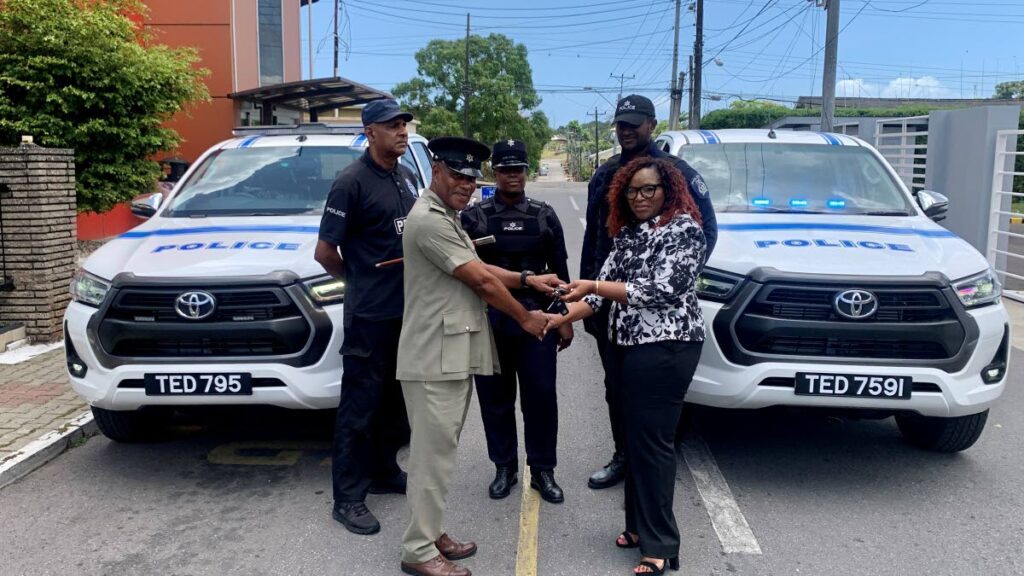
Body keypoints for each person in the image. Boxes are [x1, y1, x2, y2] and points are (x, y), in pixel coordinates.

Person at [396, 136, 559, 576]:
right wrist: (526, 319)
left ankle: (430, 533)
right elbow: (481, 283)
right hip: (432, 355)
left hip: (445, 352)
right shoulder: (429, 220)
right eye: (456, 175)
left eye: (470, 178)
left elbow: (486, 269)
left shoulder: (447, 217)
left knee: (440, 452)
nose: (465, 185)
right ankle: (418, 550)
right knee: (431, 456)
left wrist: (528, 278)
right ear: (436, 170)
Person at [547, 157, 706, 575]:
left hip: (666, 347)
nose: (640, 198)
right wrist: (561, 317)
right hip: (627, 346)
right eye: (633, 191)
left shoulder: (685, 230)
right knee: (633, 440)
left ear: (667, 190)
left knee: (653, 444)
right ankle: (637, 528)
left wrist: (595, 286)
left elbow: (662, 289)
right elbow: (599, 294)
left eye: (649, 189)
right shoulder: (628, 235)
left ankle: (661, 545)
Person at [580, 94, 717, 490]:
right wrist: (590, 297)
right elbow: (595, 239)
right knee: (616, 388)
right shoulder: (606, 174)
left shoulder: (674, 172)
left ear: (651, 125)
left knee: (653, 399)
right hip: (611, 302)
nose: (626, 131)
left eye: (634, 123)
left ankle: (654, 459)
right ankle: (624, 455)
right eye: (621, 124)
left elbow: (705, 231)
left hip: (657, 314)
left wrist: (670, 282)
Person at [314, 99, 418, 536]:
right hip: (370, 316)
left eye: (404, 124)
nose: (402, 131)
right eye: (392, 126)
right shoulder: (350, 182)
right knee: (360, 407)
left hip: (406, 313)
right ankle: (349, 498)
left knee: (395, 405)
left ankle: (384, 470)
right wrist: (357, 280)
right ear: (370, 132)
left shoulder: (404, 176)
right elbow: (324, 253)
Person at [460, 139, 573, 504]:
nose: (512, 175)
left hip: (537, 319)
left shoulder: (544, 214)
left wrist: (565, 317)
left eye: (518, 169)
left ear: (526, 171)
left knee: (541, 397)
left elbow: (560, 272)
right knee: (495, 399)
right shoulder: (474, 218)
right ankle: (504, 466)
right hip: (490, 320)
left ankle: (542, 470)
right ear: (495, 172)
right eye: (505, 169)